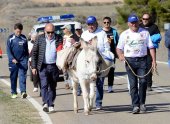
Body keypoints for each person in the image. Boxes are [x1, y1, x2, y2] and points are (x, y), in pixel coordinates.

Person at [116, 14, 156, 114]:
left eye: (135, 22)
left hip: (142, 60)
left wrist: (154, 61)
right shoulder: (124, 34)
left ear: (139, 22)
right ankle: (135, 105)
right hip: (130, 61)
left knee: (143, 82)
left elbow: (151, 47)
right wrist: (120, 55)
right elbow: (118, 48)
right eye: (132, 22)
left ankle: (142, 103)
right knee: (133, 84)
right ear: (128, 23)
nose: (134, 24)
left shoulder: (145, 33)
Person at [81, 16, 114, 110]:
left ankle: (98, 102)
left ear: (96, 24)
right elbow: (82, 48)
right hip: (87, 61)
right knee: (86, 82)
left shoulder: (102, 33)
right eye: (89, 24)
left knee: (99, 82)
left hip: (99, 59)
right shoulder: (84, 34)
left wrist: (102, 54)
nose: (91, 26)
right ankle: (87, 101)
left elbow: (107, 47)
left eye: (92, 24)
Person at [31, 23, 62, 113]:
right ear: (45, 31)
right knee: (44, 85)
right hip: (43, 66)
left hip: (54, 66)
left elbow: (62, 51)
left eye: (52, 32)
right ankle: (45, 103)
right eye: (48, 32)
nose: (50, 34)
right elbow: (34, 53)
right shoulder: (39, 39)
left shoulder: (59, 38)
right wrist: (33, 67)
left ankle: (51, 104)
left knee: (52, 87)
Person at [140, 13, 161, 91]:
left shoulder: (154, 27)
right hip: (140, 51)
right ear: (141, 19)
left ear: (150, 19)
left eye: (147, 19)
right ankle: (142, 82)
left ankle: (149, 85)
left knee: (149, 67)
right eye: (143, 19)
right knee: (142, 67)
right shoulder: (139, 26)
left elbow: (158, 37)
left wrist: (149, 39)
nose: (145, 20)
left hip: (150, 50)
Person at [6, 23, 29, 99]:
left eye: (20, 31)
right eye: (17, 31)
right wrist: (12, 59)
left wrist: (26, 59)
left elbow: (26, 50)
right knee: (13, 77)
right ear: (14, 30)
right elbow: (8, 51)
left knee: (22, 76)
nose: (18, 33)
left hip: (22, 61)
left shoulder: (24, 38)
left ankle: (23, 92)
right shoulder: (10, 38)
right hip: (13, 62)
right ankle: (13, 92)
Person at [102, 16, 119, 93]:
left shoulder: (114, 31)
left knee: (111, 71)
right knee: (101, 71)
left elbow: (118, 43)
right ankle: (101, 86)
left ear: (110, 23)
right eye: (105, 22)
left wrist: (118, 53)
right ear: (103, 23)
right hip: (102, 54)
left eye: (108, 22)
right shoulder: (100, 32)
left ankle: (110, 87)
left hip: (111, 54)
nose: (106, 24)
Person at [61, 24, 75, 90]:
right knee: (65, 70)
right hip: (64, 55)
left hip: (71, 55)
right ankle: (66, 83)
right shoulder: (64, 37)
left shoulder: (73, 36)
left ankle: (72, 83)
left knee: (71, 70)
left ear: (68, 29)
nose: (63, 30)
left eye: (64, 29)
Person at [71, 22, 83, 96]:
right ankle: (78, 89)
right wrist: (80, 43)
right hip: (76, 55)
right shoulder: (72, 37)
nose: (78, 30)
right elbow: (75, 45)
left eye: (79, 29)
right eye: (77, 29)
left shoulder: (84, 35)